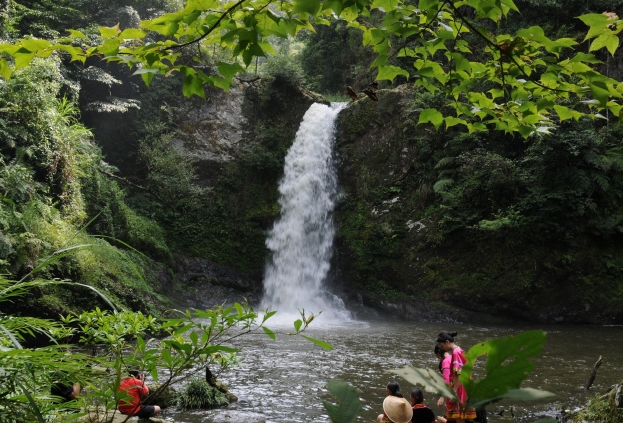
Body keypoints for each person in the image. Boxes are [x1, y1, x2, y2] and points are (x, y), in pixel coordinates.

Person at [435, 332, 476, 423]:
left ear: (447, 342)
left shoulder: (456, 352)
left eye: (441, 346)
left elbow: (458, 373)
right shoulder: (459, 350)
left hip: (460, 387)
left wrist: (454, 391)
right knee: (461, 417)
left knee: (459, 418)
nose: (442, 348)